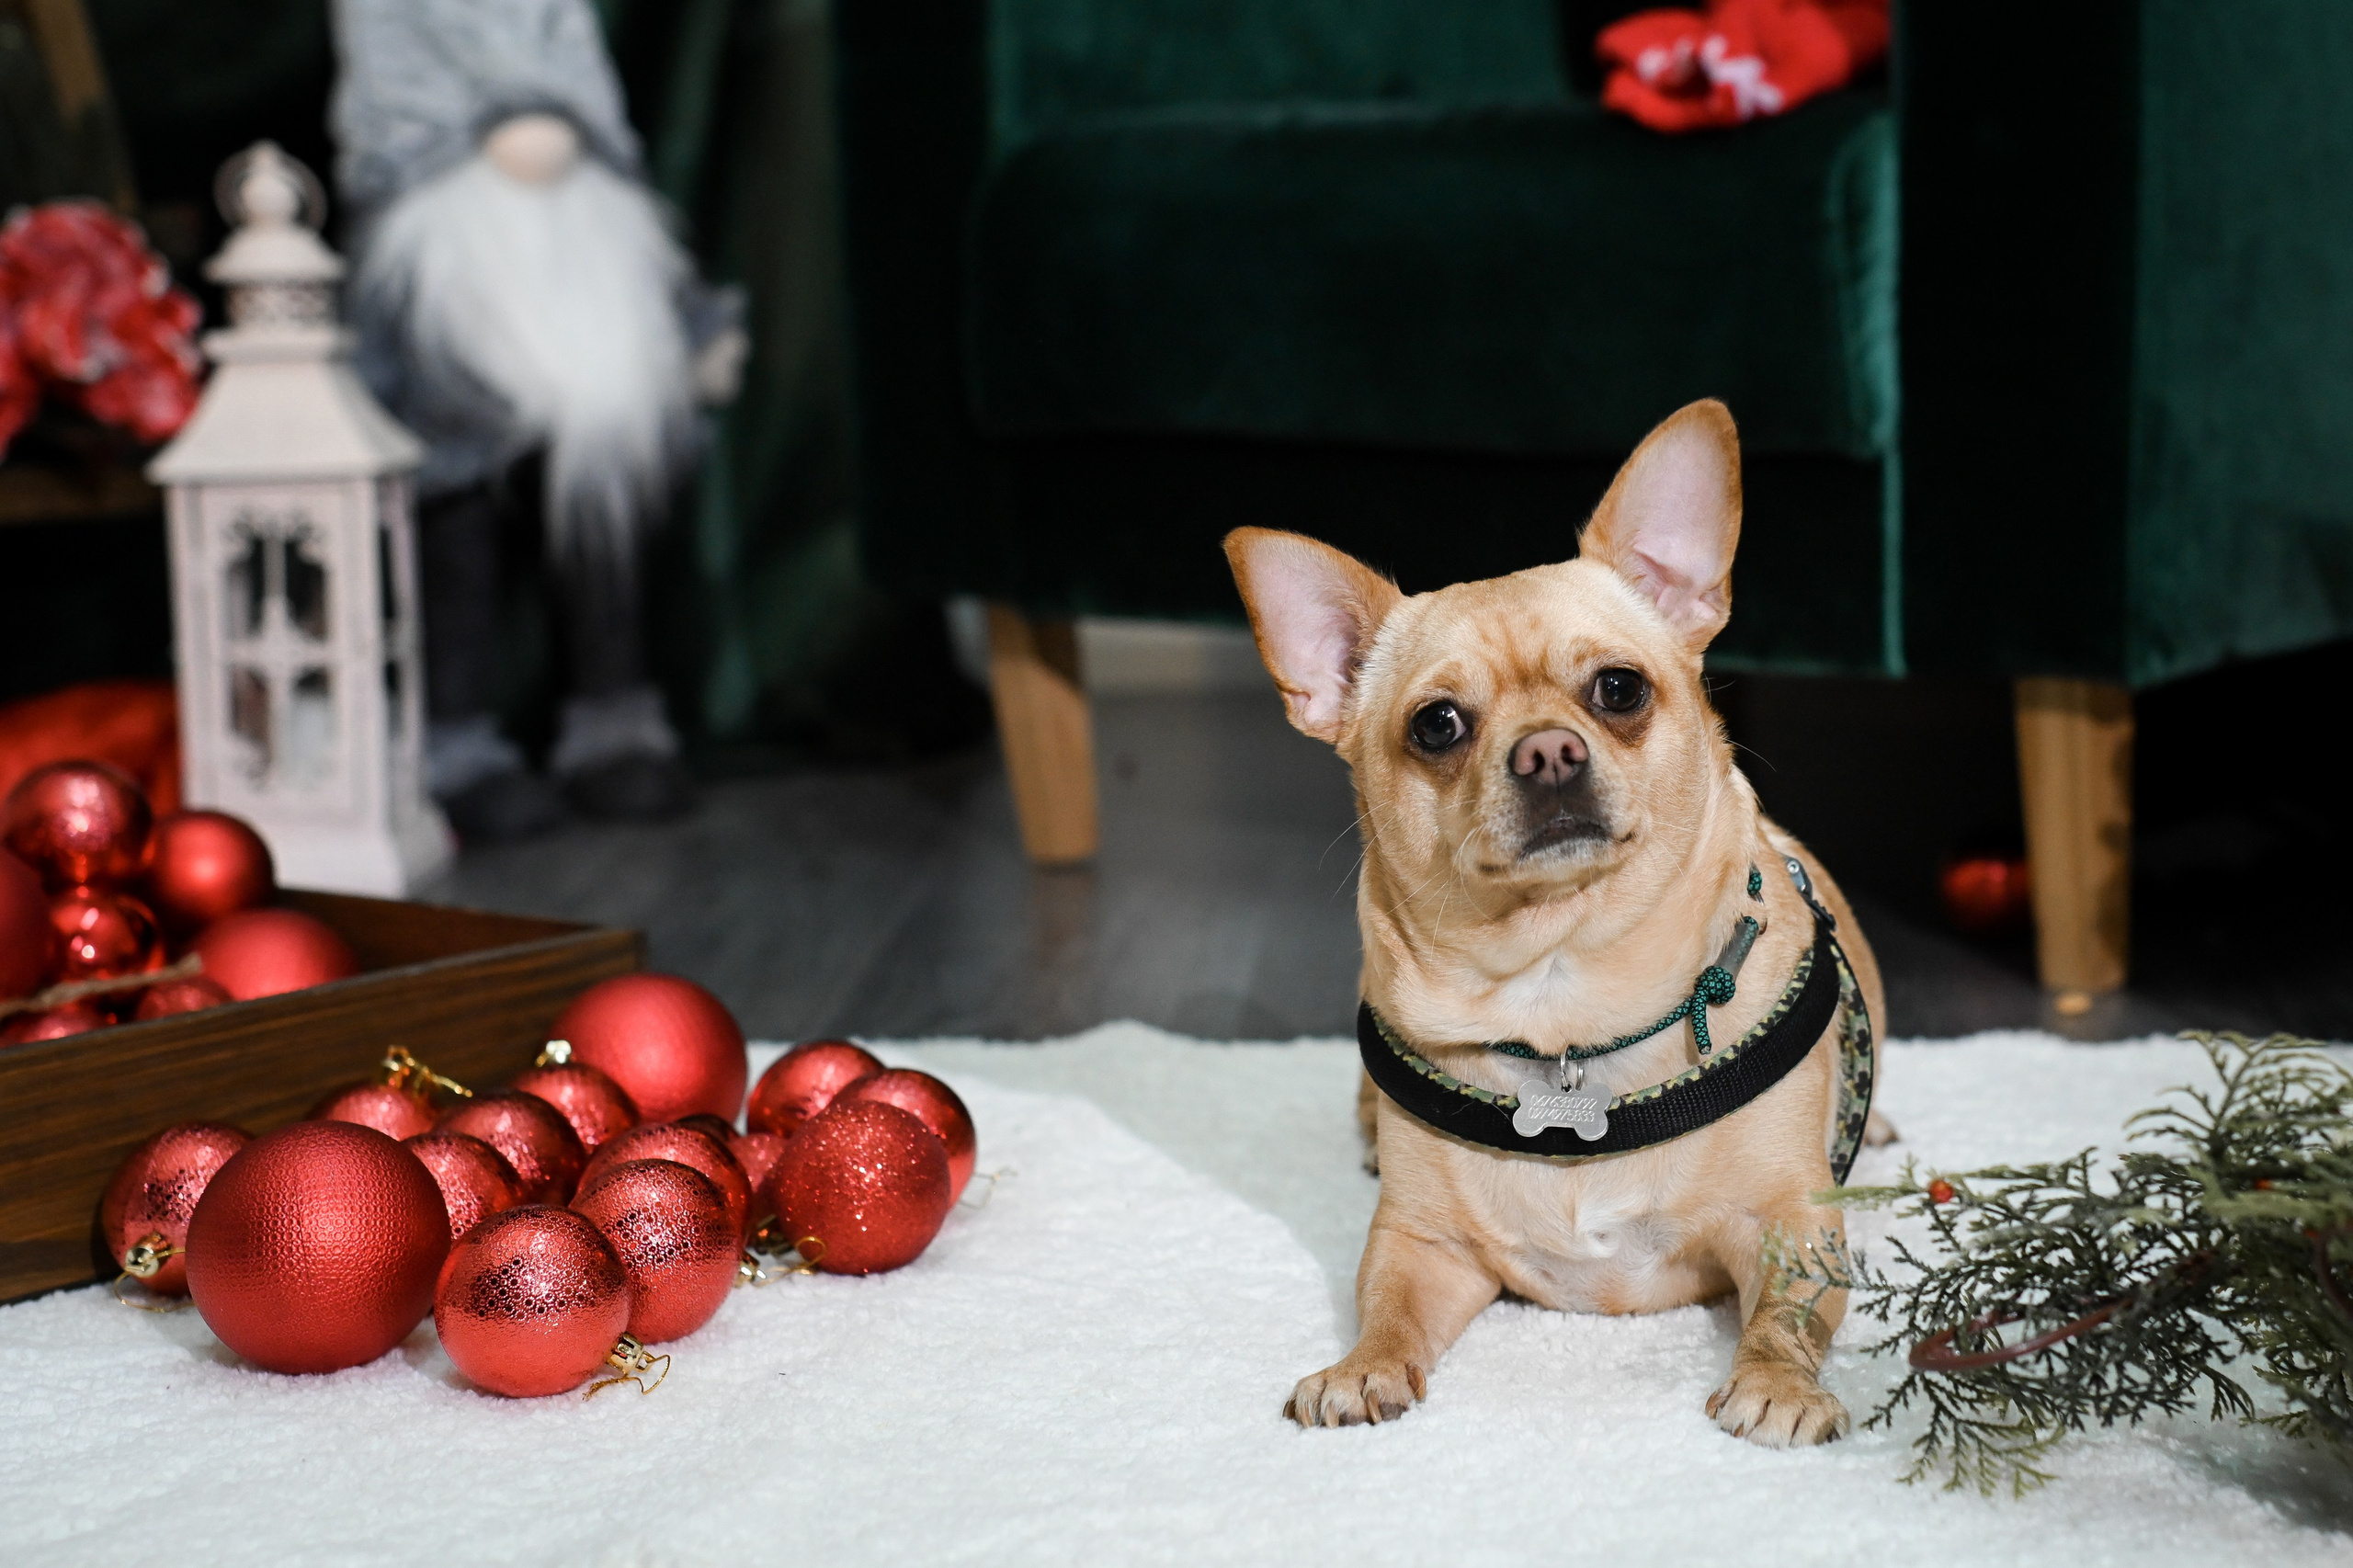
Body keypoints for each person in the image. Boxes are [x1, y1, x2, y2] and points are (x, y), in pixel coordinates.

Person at [329, 0, 747, 837]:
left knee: (607, 514)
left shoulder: (601, 187)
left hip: (586, 340)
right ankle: (453, 745)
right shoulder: (408, 223)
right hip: (448, 392)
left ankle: (615, 727)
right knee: (454, 547)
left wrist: (699, 330)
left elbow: (644, 250)